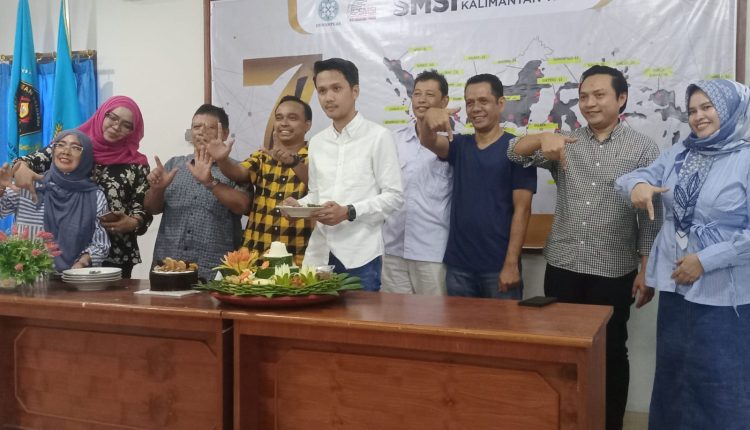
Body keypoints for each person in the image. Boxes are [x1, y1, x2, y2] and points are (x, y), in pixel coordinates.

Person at [508, 65, 661, 430]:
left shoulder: (643, 147)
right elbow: (514, 153)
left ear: (621, 98)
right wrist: (543, 136)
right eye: (583, 97)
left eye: (599, 95)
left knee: (611, 352)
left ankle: (608, 423)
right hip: (563, 266)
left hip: (613, 269)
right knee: (562, 350)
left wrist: (647, 270)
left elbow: (651, 217)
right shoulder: (564, 141)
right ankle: (566, 419)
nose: (589, 103)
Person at [616, 79, 750, 430]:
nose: (698, 117)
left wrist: (705, 260)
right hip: (676, 288)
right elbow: (631, 179)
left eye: (707, 107)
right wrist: (639, 185)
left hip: (725, 297)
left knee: (719, 383)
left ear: (731, 110)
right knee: (675, 378)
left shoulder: (746, 157)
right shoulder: (681, 152)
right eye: (692, 110)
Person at [283, 58, 403, 291]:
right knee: (316, 316)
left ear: (355, 91)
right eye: (322, 91)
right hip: (319, 254)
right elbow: (317, 194)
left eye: (336, 88)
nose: (328, 97)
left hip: (360, 256)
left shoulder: (378, 137)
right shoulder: (317, 142)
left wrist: (348, 211)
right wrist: (298, 206)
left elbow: (394, 197)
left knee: (360, 316)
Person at [418, 73, 536, 300]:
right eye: (470, 103)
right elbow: (428, 140)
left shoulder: (517, 149)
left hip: (499, 267)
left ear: (500, 104)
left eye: (483, 101)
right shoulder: (459, 145)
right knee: (459, 325)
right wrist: (426, 119)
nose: (476, 109)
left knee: (504, 325)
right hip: (458, 267)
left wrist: (511, 264)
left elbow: (522, 210)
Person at [12, 96, 151, 278]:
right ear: (102, 114)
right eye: (113, 117)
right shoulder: (76, 145)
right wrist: (20, 167)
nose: (117, 127)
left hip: (116, 254)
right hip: (71, 250)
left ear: (134, 130)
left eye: (127, 125)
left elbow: (142, 208)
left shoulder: (137, 165)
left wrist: (133, 222)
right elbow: (28, 161)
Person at [145, 104, 250, 281]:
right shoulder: (174, 165)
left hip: (215, 269)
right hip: (168, 265)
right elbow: (151, 208)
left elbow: (243, 206)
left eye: (209, 127)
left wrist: (210, 182)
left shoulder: (237, 169)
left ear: (224, 133)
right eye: (196, 127)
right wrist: (158, 188)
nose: (201, 132)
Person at [207, 95, 313, 265]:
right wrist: (222, 160)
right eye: (279, 118)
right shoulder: (263, 156)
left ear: (307, 125)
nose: (284, 123)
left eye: (292, 118)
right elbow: (238, 173)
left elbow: (322, 188)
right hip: (255, 258)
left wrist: (293, 162)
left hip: (298, 259)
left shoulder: (316, 158)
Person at [381, 70, 452, 295]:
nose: (421, 100)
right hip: (392, 247)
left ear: (444, 101)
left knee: (433, 314)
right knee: (393, 314)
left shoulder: (454, 144)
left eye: (429, 95)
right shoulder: (393, 140)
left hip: (432, 251)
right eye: (417, 94)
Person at [0, 130, 109, 271]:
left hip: (73, 279)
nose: (66, 151)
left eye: (75, 147)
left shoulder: (95, 197)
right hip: (27, 277)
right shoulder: (29, 185)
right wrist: (1, 189)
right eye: (60, 145)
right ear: (53, 150)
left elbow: (100, 244)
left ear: (86, 156)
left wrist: (82, 263)